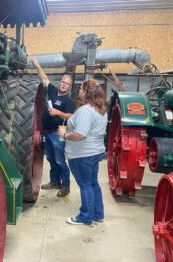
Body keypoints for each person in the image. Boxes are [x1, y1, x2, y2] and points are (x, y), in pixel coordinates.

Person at [59, 80, 107, 225]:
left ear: (86, 93)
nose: (79, 90)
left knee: (85, 185)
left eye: (81, 88)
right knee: (92, 183)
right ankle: (98, 214)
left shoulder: (86, 111)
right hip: (94, 152)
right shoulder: (100, 109)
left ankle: (85, 216)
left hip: (82, 155)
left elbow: (80, 135)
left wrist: (65, 135)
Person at [31, 57, 75, 197]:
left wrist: (58, 112)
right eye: (63, 82)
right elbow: (44, 78)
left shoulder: (69, 101)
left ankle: (66, 186)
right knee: (50, 158)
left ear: (69, 86)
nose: (63, 85)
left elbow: (70, 116)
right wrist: (37, 64)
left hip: (59, 132)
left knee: (60, 160)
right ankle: (55, 181)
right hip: (47, 132)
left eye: (66, 84)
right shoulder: (53, 90)